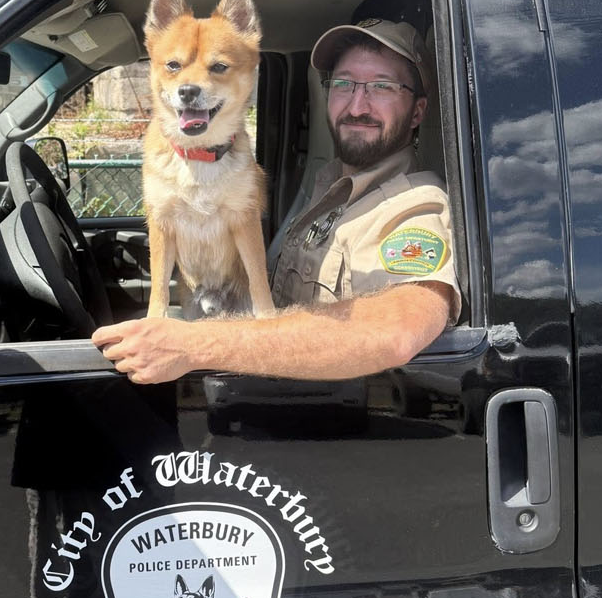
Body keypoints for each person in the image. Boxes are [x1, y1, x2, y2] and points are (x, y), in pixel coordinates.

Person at [92, 19, 461, 383]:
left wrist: (193, 346)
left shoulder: (414, 205)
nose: (357, 104)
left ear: (417, 112)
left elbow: (394, 333)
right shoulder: (330, 188)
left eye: (381, 86)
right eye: (344, 84)